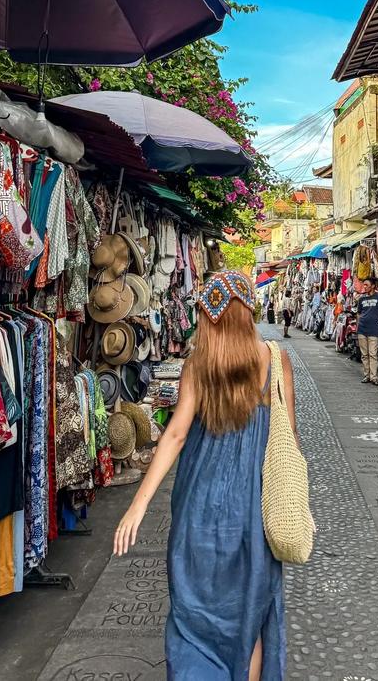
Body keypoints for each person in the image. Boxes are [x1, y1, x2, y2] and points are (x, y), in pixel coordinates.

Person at [114, 270, 294, 680]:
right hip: (254, 508)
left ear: (208, 316)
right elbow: (289, 439)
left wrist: (137, 507)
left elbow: (175, 435)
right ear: (249, 311)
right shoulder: (276, 360)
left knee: (194, 614)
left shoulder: (198, 365)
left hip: (200, 505)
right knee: (250, 615)